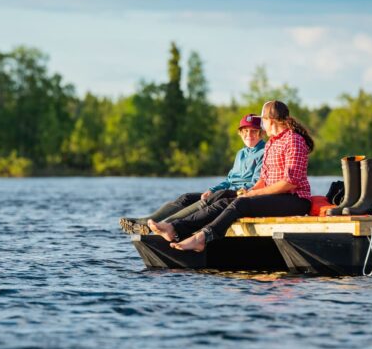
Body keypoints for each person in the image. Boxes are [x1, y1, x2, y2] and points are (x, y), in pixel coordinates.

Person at [149, 100, 314, 252]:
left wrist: (253, 194)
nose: (262, 125)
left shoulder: (294, 140)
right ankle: (175, 229)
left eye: (262, 120)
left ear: (270, 119)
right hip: (274, 197)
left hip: (294, 200)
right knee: (223, 202)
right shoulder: (272, 142)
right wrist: (249, 192)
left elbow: (290, 183)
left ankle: (202, 238)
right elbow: (264, 179)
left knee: (240, 204)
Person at [119, 113, 266, 234]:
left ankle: (164, 225)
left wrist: (223, 192)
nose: (249, 135)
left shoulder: (264, 152)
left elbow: (255, 183)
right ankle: (147, 221)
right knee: (186, 198)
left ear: (260, 133)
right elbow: (229, 179)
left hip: (241, 196)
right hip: (225, 192)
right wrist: (213, 189)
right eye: (245, 131)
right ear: (240, 133)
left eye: (253, 131)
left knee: (215, 197)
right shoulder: (241, 153)